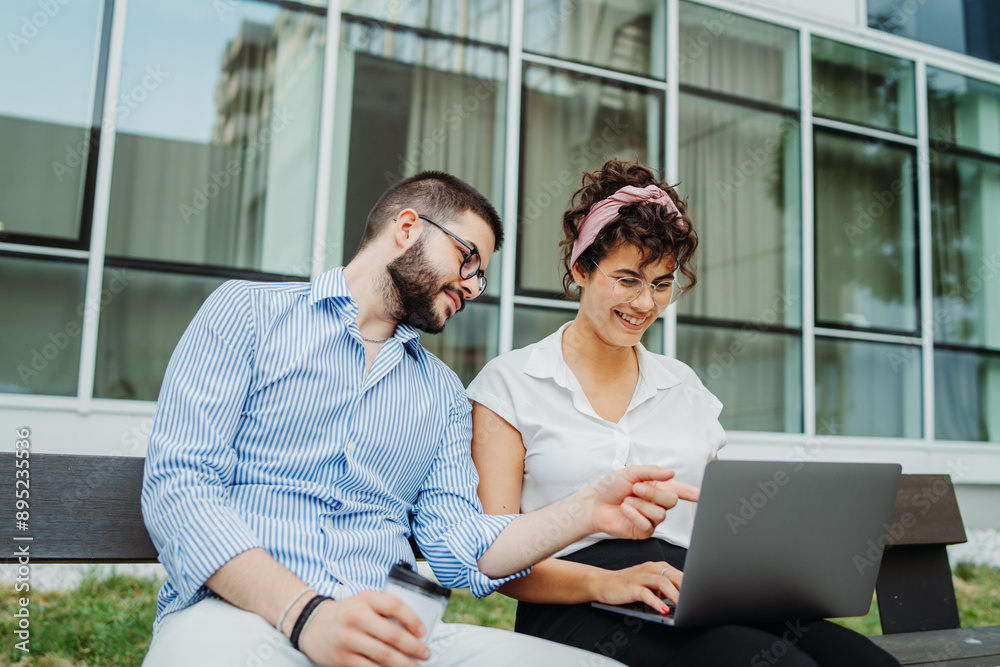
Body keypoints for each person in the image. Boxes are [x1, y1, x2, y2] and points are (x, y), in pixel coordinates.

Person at [140, 170, 693, 667]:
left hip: (391, 636)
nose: (474, 287)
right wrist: (308, 616)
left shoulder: (442, 393)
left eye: (483, 276)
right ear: (408, 227)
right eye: (468, 259)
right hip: (239, 619)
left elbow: (463, 551)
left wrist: (586, 509)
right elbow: (180, 490)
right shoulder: (246, 315)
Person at [467, 159, 901, 667]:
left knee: (868, 664)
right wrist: (610, 582)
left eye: (661, 283)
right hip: (575, 601)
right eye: (627, 279)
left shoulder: (684, 387)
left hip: (688, 593)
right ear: (581, 269)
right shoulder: (510, 384)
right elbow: (493, 558)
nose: (644, 302)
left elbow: (722, 527)